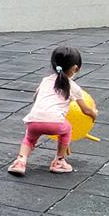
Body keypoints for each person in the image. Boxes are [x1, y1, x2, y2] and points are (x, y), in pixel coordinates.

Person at [9, 46, 97, 176]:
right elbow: (85, 110)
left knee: (29, 139)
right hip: (55, 123)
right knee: (67, 129)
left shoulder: (45, 81)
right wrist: (94, 114)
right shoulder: (73, 87)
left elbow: (35, 98)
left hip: (33, 121)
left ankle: (20, 161)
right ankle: (59, 161)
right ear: (75, 69)